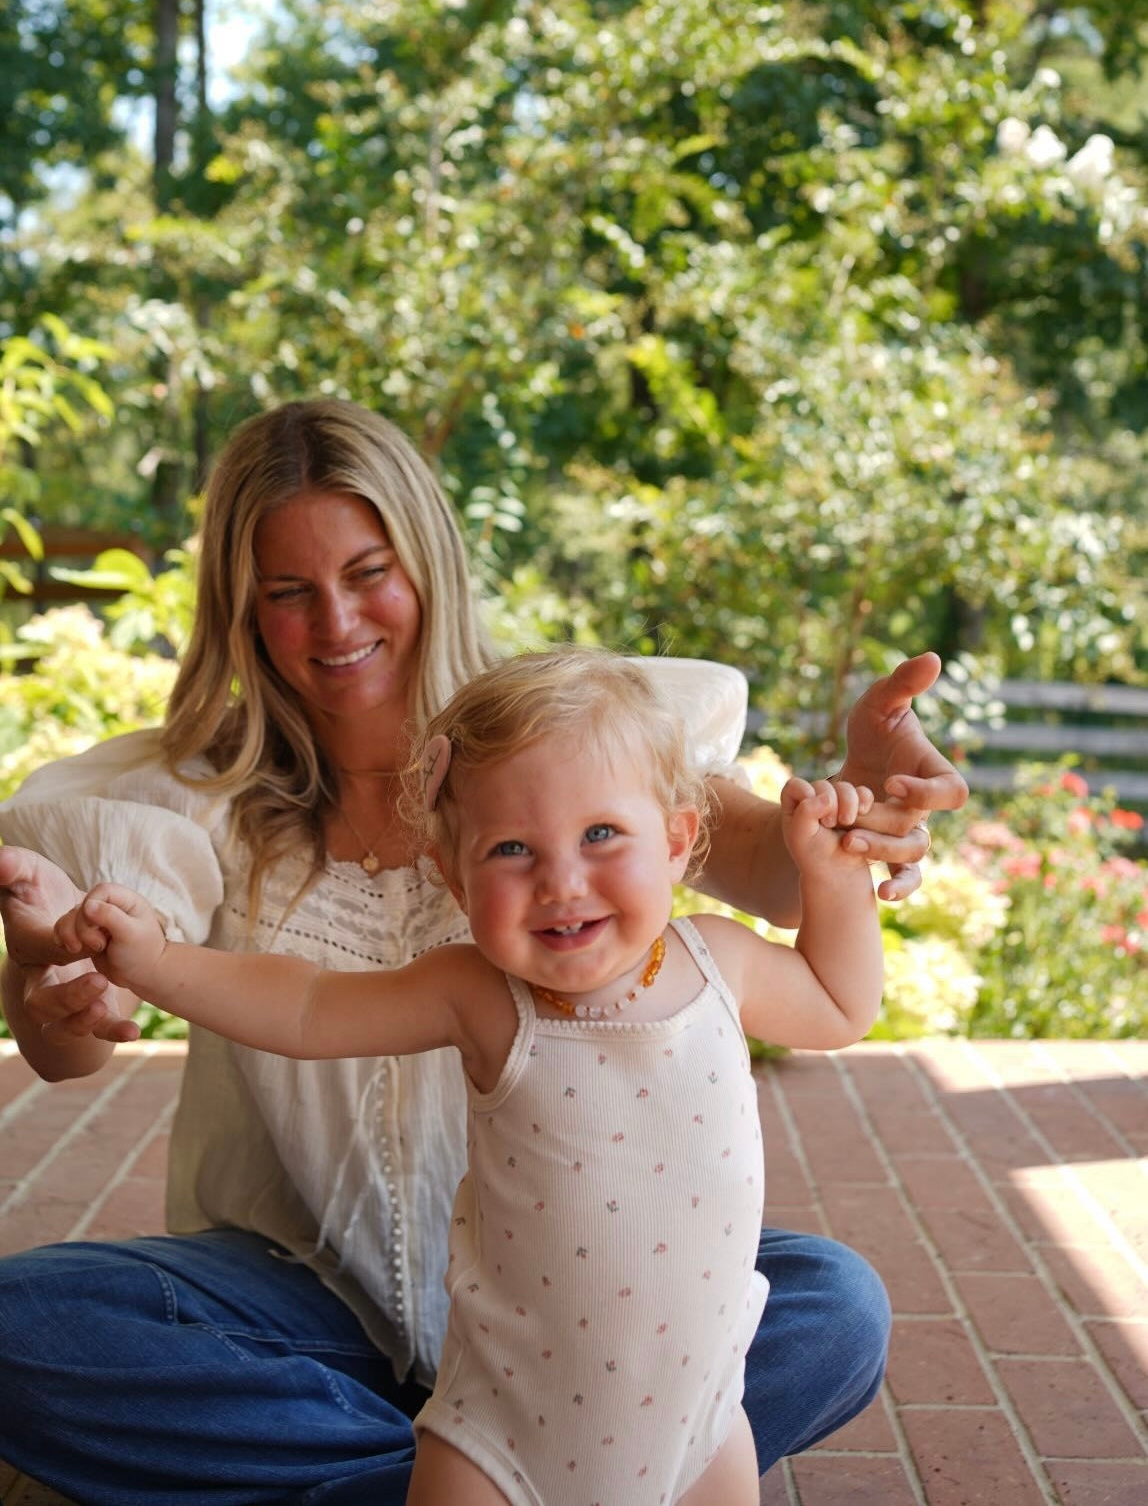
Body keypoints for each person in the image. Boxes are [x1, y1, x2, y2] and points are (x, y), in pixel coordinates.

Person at [0, 398, 965, 1505]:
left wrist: (852, 806)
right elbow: (99, 1029)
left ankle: (391, 1480)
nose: (336, 619)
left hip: (569, 1324)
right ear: (240, 607)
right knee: (24, 1330)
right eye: (286, 591)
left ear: (427, 561)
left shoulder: (555, 740)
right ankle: (482, 1476)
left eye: (369, 570)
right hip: (297, 1307)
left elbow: (770, 868)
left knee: (831, 1304)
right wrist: (55, 978)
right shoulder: (196, 796)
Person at [50, 646, 886, 1506]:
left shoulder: (723, 966)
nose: (562, 882)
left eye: (602, 834)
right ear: (453, 873)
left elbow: (838, 1003)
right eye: (513, 849)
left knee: (840, 1303)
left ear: (675, 841)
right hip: (499, 1441)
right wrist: (155, 965)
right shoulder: (482, 995)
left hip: (700, 1428)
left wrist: (836, 877)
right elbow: (305, 1008)